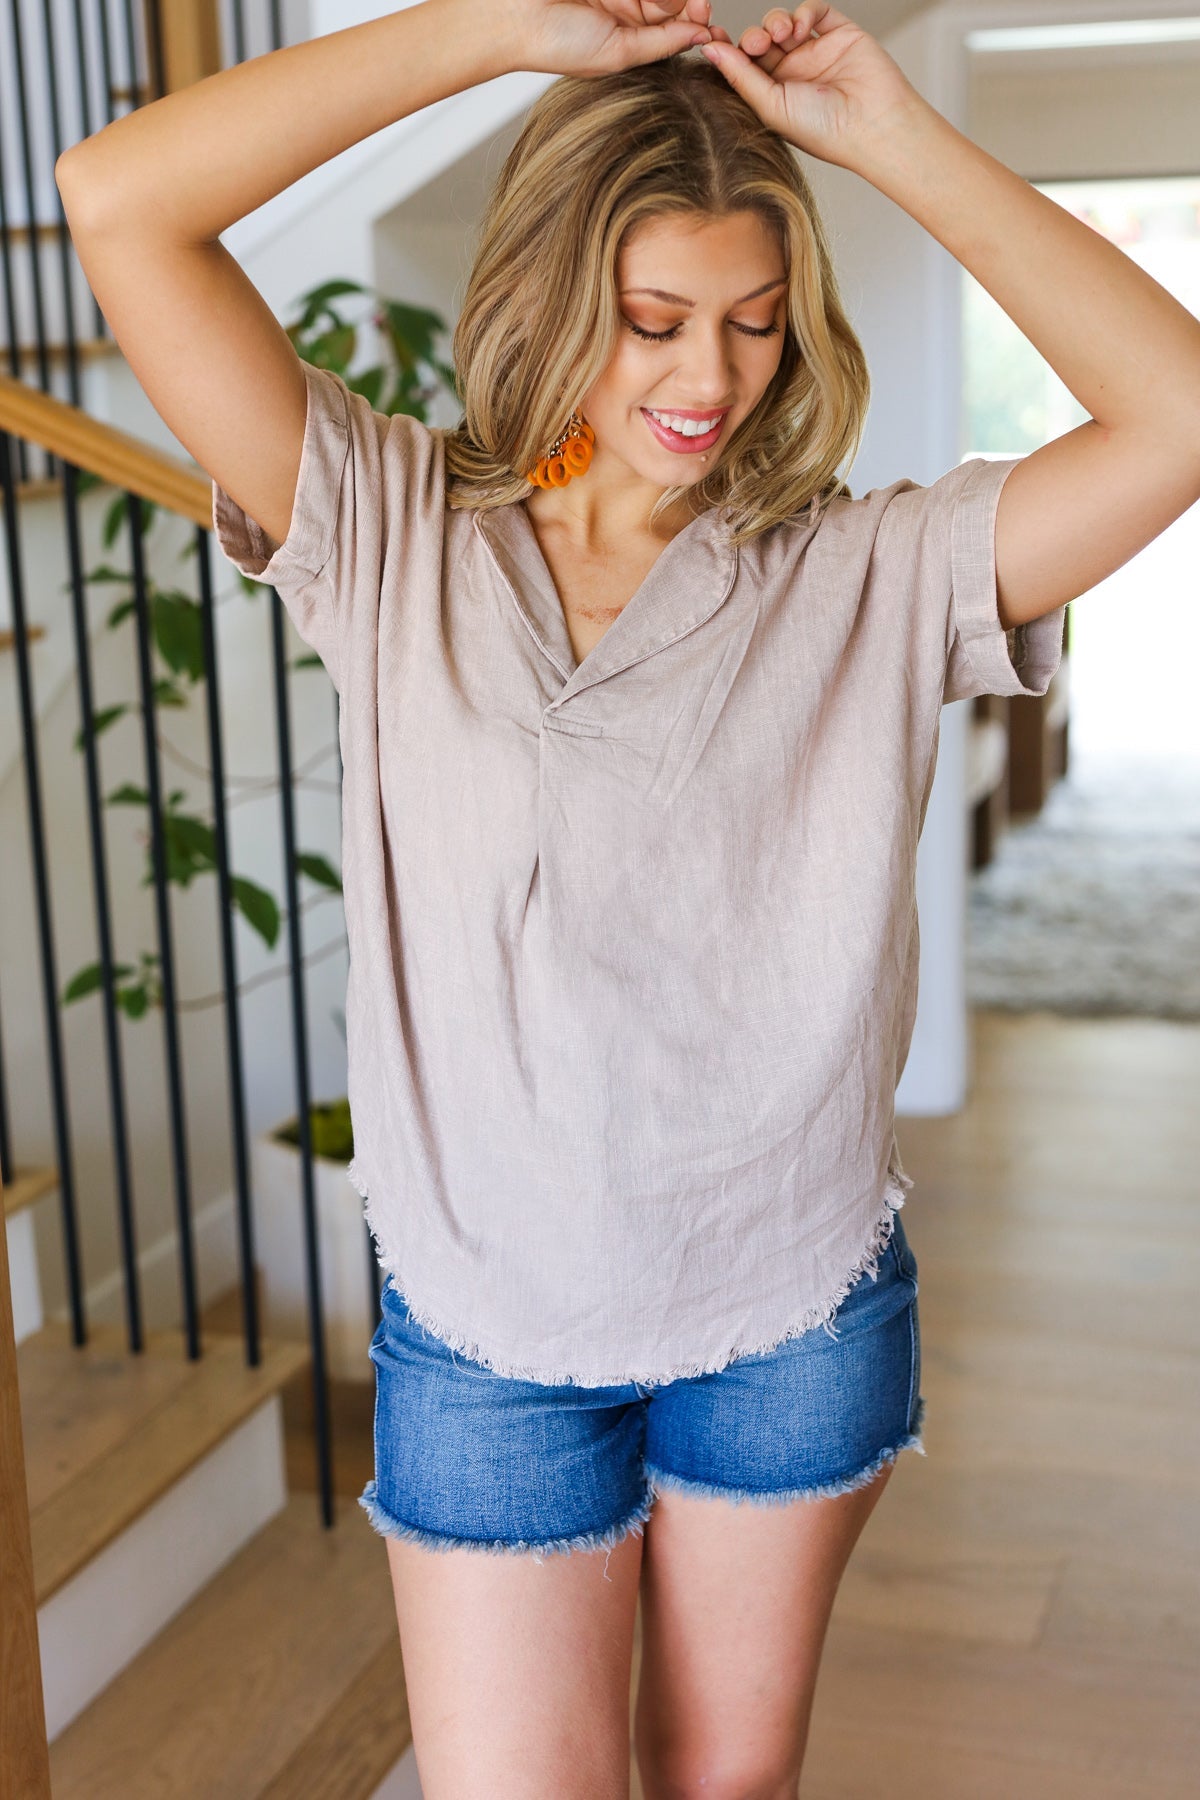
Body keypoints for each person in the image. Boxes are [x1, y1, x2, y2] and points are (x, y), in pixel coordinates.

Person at [55, 2, 1200, 1794]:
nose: (710, 376)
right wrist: (494, 32)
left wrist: (888, 136)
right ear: (548, 303)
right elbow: (118, 199)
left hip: (784, 1307)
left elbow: (1184, 412)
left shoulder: (872, 574)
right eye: (654, 320)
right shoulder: (389, 529)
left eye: (754, 322)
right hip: (487, 1323)